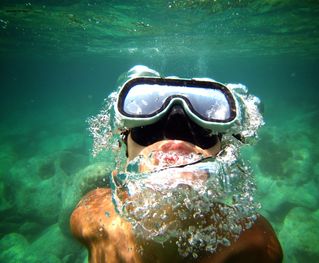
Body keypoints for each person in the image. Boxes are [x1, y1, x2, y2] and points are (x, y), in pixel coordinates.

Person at [70, 66, 283, 263]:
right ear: (123, 146)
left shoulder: (255, 243)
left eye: (202, 131)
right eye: (147, 129)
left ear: (224, 150)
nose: (175, 142)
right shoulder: (90, 219)